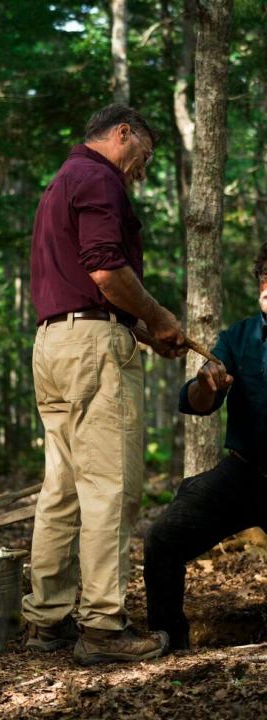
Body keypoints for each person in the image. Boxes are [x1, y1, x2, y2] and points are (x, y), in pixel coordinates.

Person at [22, 103, 187, 666]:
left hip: (53, 344)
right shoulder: (99, 178)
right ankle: (103, 628)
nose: (142, 167)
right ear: (123, 134)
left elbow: (85, 286)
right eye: (143, 153)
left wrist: (143, 330)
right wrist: (161, 317)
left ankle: (47, 622)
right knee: (111, 488)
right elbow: (105, 272)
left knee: (63, 490)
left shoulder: (61, 182)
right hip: (92, 349)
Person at [144, 243, 267, 651]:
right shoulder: (238, 337)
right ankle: (168, 642)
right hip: (247, 473)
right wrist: (205, 381)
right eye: (263, 279)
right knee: (163, 539)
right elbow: (198, 404)